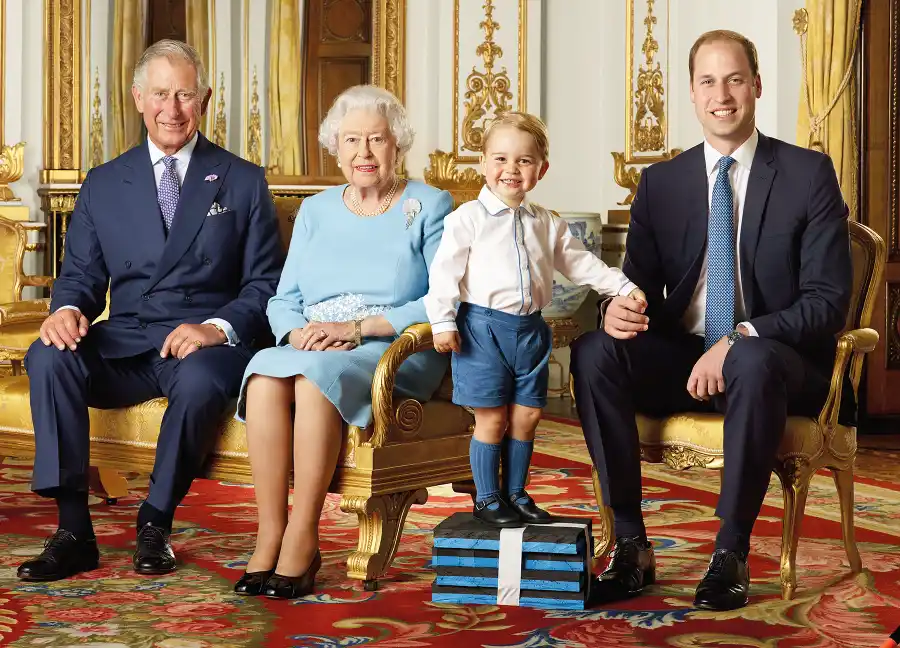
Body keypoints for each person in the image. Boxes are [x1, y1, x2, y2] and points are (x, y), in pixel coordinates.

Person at [571, 30, 852, 611]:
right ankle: (629, 546)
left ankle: (730, 553)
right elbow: (638, 287)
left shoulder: (807, 174)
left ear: (756, 85)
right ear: (692, 95)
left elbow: (827, 302)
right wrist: (615, 309)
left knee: (748, 356)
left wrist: (741, 335)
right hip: (685, 357)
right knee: (595, 350)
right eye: (707, 81)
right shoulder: (662, 183)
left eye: (734, 79)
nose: (721, 94)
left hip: (778, 361)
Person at [17, 40, 283, 582]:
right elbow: (82, 279)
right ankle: (73, 530)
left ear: (204, 100)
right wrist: (67, 310)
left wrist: (216, 328)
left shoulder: (244, 180)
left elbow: (267, 285)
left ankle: (155, 522)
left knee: (204, 377)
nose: (172, 108)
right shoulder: (105, 182)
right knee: (48, 355)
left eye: (185, 94)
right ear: (138, 97)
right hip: (130, 337)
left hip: (204, 343)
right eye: (160, 93)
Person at [233, 85, 454, 600]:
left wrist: (357, 329)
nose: (364, 153)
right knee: (265, 374)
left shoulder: (428, 204)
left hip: (391, 349)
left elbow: (443, 298)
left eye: (377, 139)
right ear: (335, 146)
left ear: (397, 145)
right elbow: (282, 299)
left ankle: (303, 536)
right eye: (352, 139)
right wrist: (296, 332)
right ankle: (270, 532)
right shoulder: (315, 210)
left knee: (313, 383)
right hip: (313, 344)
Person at [424, 112, 646, 529]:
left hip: (530, 332)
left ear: (541, 170)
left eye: (524, 161)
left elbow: (582, 265)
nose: (511, 169)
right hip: (482, 330)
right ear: (483, 164)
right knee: (491, 417)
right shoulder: (466, 219)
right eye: (500, 159)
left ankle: (516, 493)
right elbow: (443, 274)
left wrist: (622, 286)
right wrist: (442, 322)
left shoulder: (546, 223)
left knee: (526, 416)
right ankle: (487, 497)